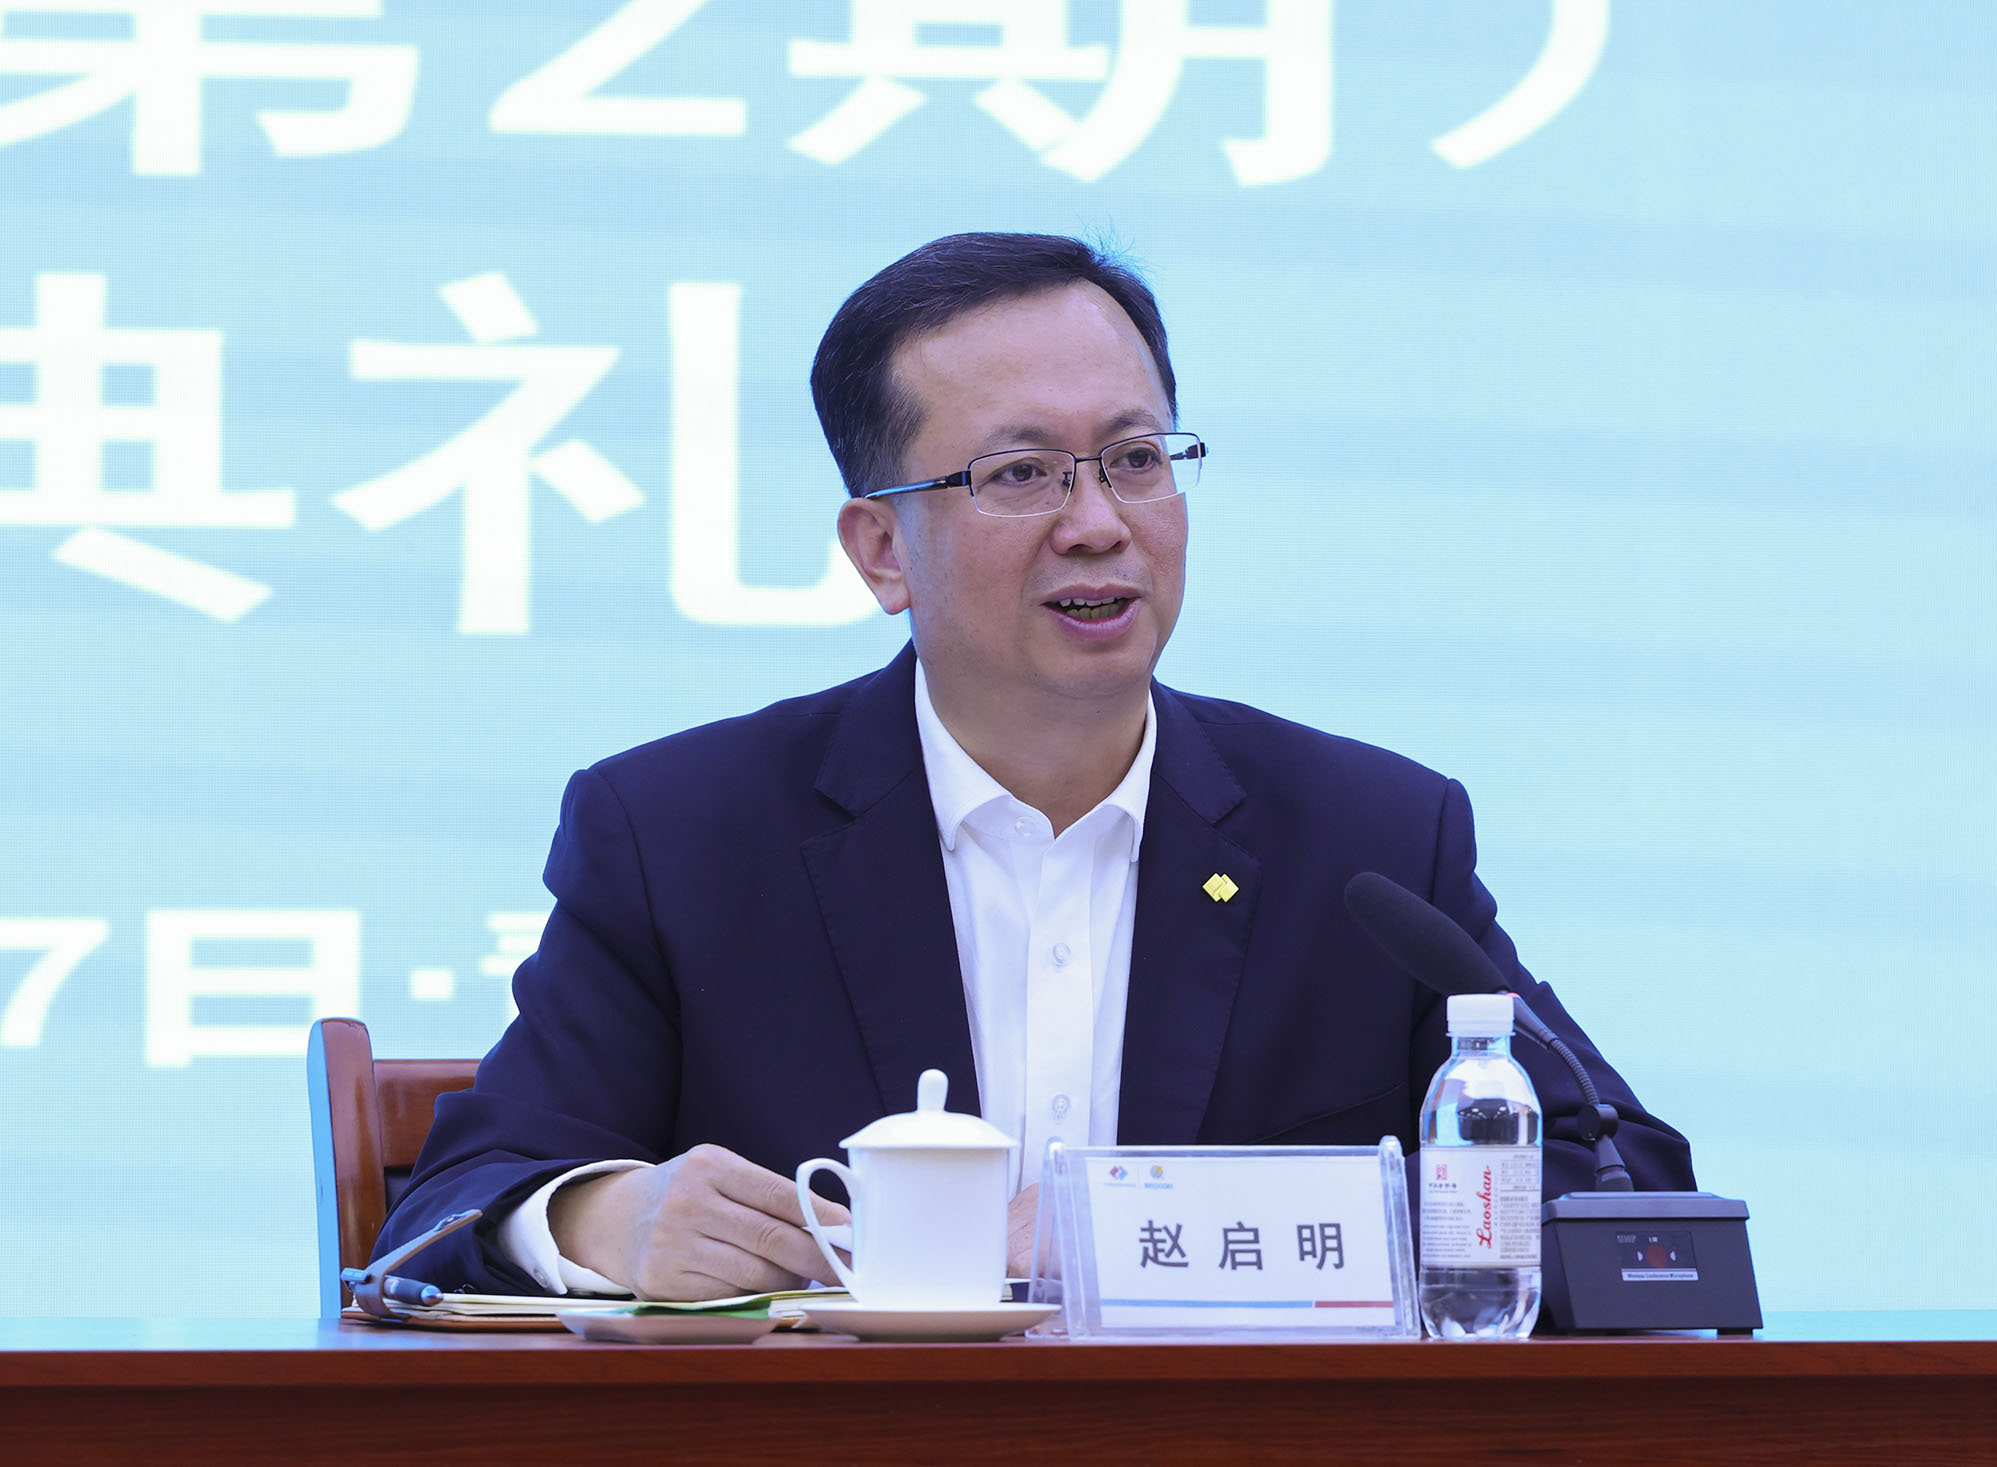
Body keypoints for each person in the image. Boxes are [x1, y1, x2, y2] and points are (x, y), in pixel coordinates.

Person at [381, 232, 1694, 1299]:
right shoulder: (683, 836)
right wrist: (604, 1219)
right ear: (881, 552)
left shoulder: (1370, 841)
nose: (1099, 523)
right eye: (1021, 474)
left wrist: (1160, 1230)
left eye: (1135, 460)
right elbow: (454, 1205)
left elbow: (1627, 1190)